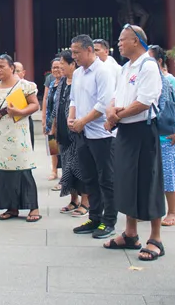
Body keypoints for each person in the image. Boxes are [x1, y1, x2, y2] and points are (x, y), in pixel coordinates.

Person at [103, 25, 164, 261]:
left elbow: (145, 101)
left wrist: (117, 115)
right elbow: (116, 96)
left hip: (143, 129)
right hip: (125, 130)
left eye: (122, 39)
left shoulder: (148, 66)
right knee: (126, 180)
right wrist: (111, 111)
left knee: (149, 180)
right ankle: (130, 233)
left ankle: (156, 238)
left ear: (137, 41)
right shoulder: (126, 67)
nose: (118, 43)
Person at [69, 34, 120, 240]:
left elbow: (104, 103)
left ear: (89, 50)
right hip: (83, 133)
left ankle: (109, 221)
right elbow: (74, 98)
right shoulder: (79, 73)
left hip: (102, 134)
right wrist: (72, 117)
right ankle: (95, 216)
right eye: (72, 53)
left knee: (106, 179)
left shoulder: (103, 71)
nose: (74, 57)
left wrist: (84, 120)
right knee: (89, 178)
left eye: (77, 53)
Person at [0, 54, 42, 221]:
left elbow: (34, 105)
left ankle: (33, 207)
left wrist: (20, 112)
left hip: (17, 133)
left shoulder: (25, 86)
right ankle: (11, 206)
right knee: (2, 171)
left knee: (22, 168)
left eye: (2, 66)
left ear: (11, 67)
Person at [149, 46, 175, 227]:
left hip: (167, 134)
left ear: (159, 61)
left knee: (168, 173)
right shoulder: (145, 81)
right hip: (149, 135)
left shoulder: (170, 80)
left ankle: (173, 212)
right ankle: (152, 209)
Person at [54, 52, 90, 216]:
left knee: (81, 167)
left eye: (62, 63)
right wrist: (53, 125)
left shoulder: (79, 80)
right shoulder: (62, 81)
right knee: (67, 166)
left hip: (76, 130)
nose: (60, 66)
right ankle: (73, 199)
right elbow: (56, 105)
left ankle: (86, 202)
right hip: (62, 130)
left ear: (72, 64)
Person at [43, 59, 63, 182]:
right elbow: (46, 99)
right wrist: (44, 119)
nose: (56, 70)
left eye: (58, 67)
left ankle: (64, 175)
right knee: (53, 146)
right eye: (54, 67)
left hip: (61, 120)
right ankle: (54, 170)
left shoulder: (66, 82)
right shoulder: (51, 82)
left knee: (63, 147)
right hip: (51, 119)